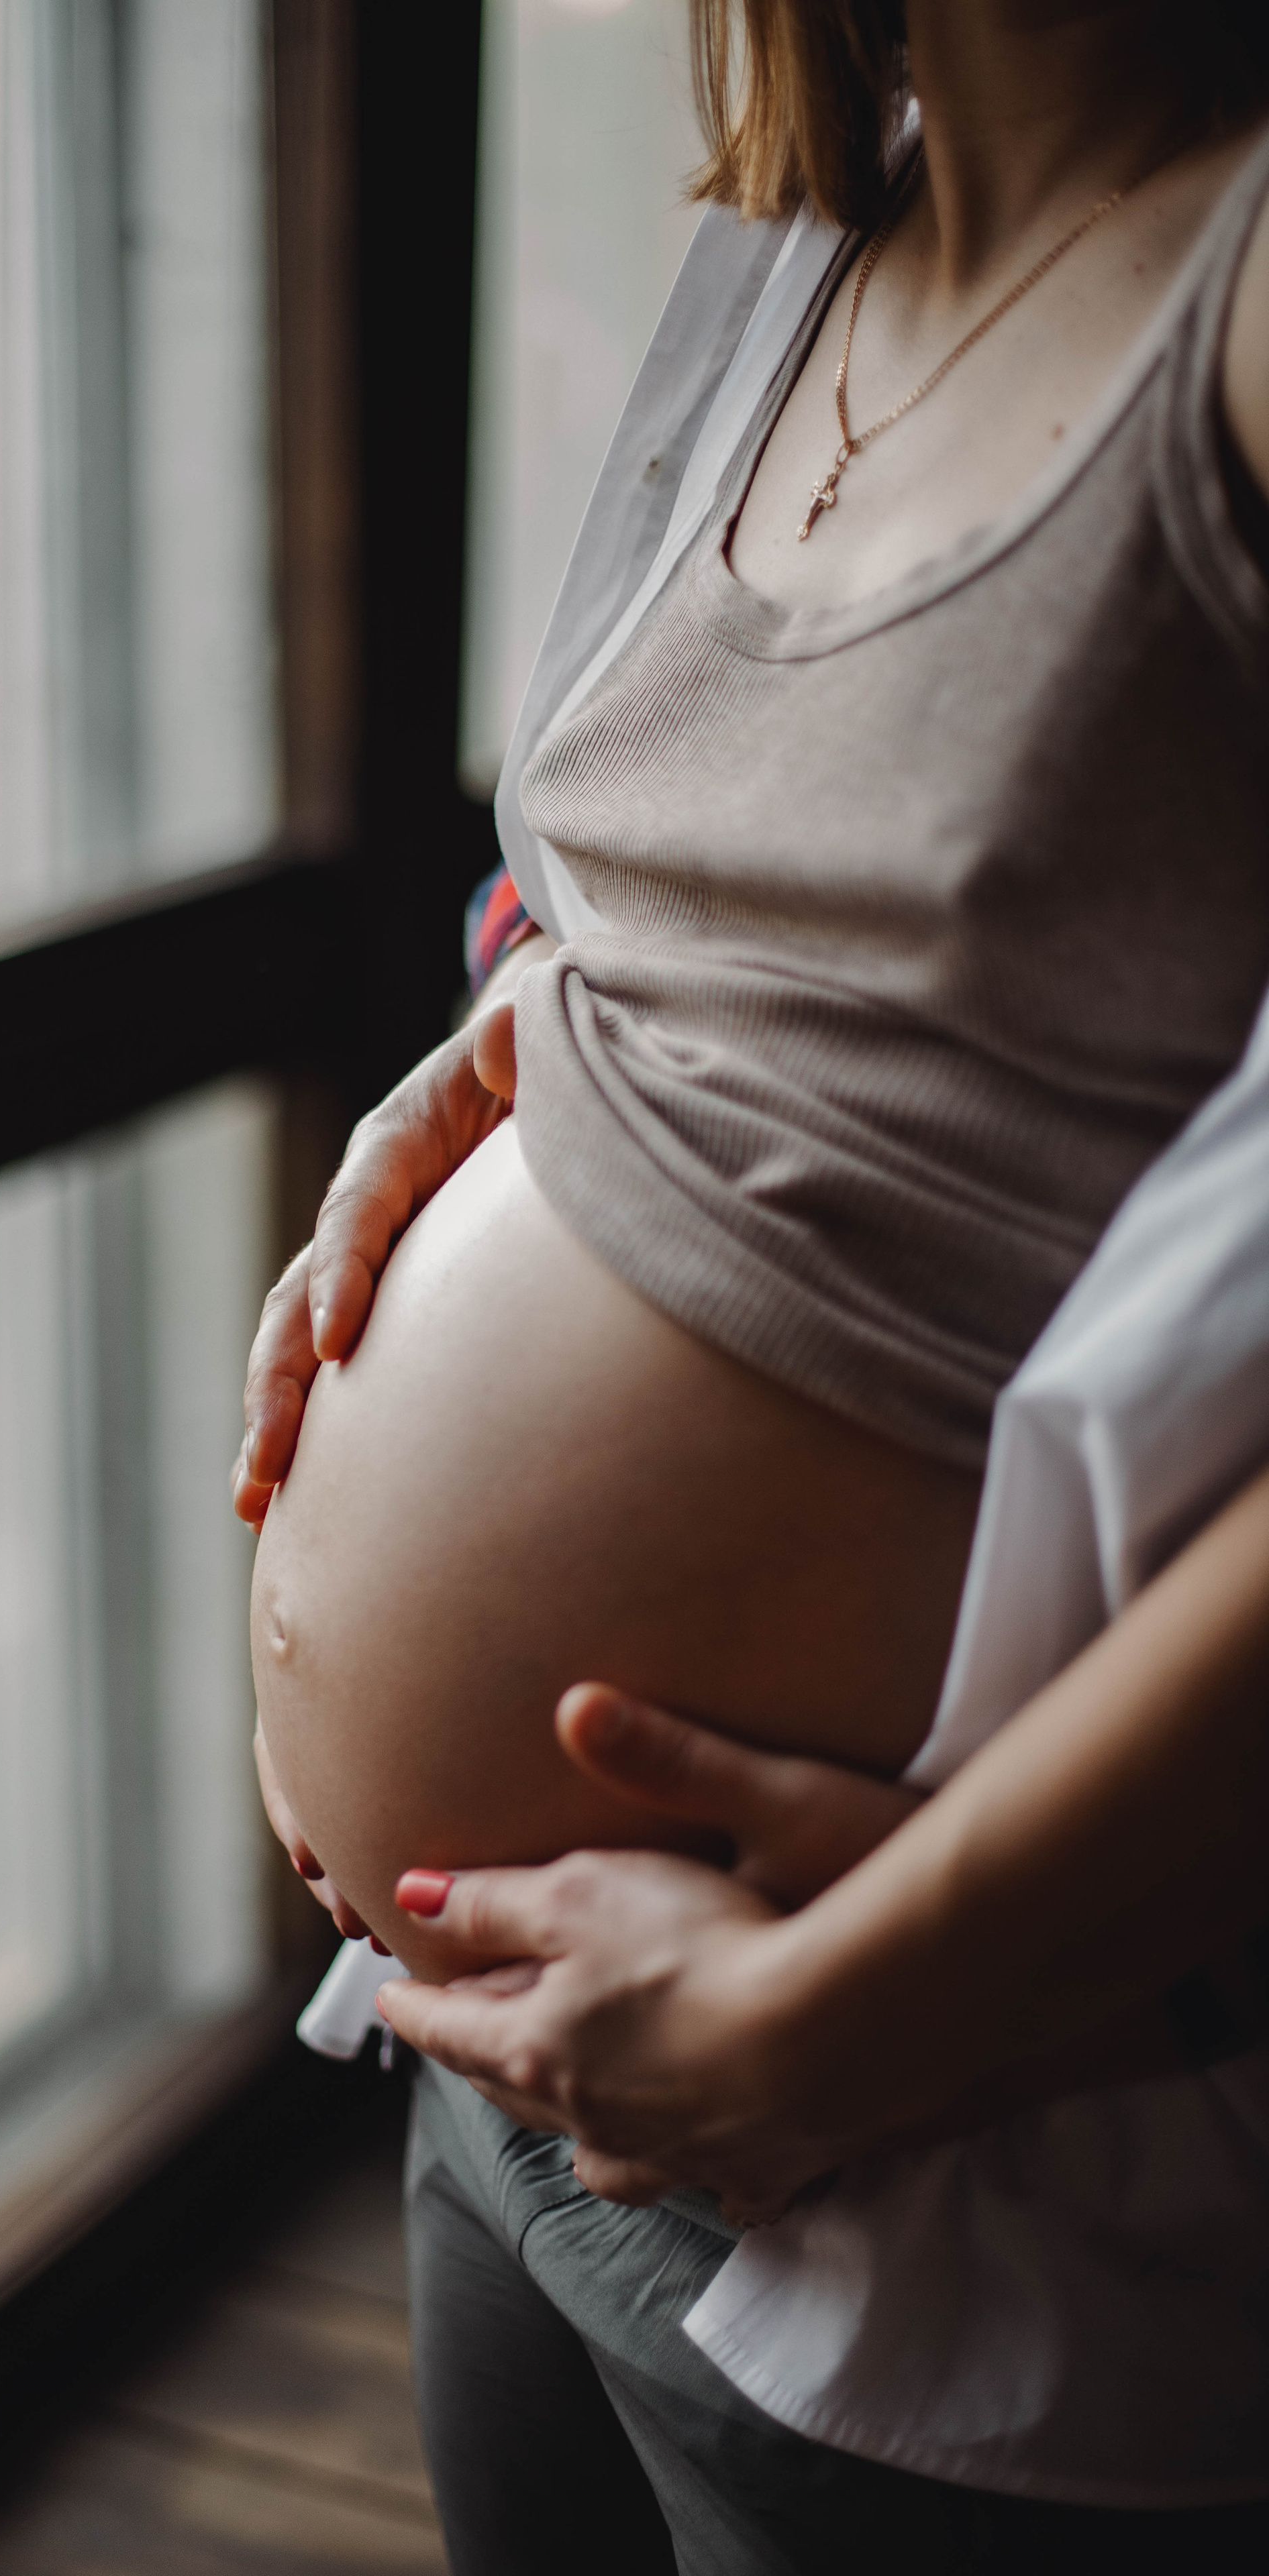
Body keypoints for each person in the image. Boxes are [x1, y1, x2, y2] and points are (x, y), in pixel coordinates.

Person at [238, 2, 1269, 2565]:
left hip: (915, 2142)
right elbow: (669, 901)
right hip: (508, 2080)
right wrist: (490, 1063)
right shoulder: (788, 252)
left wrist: (860, 2005)